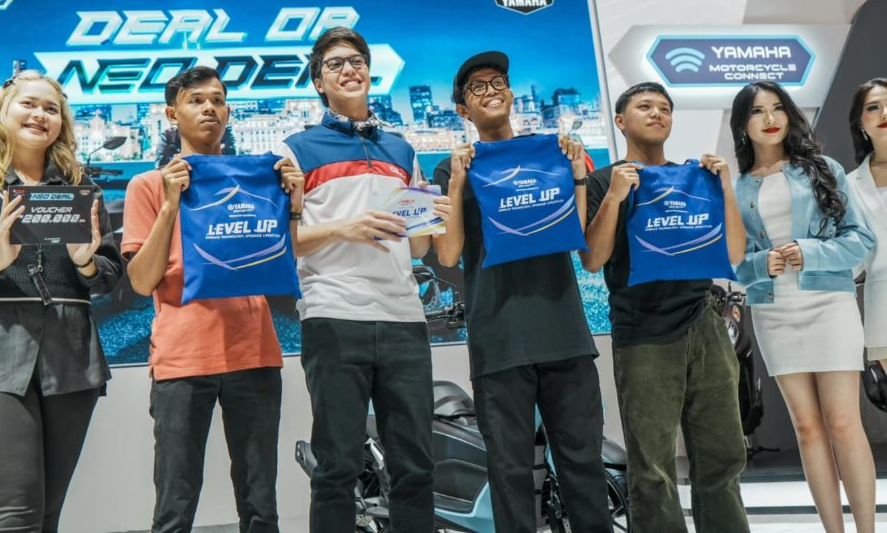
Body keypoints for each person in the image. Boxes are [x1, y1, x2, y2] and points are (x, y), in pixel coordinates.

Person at [0, 70, 123, 533]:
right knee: (14, 520)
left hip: (70, 362)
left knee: (44, 518)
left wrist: (86, 262)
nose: (40, 115)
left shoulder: (81, 189)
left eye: (51, 109)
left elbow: (109, 276)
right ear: (2, 113)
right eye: (29, 104)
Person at [275, 27, 450, 532]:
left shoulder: (401, 149)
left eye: (356, 61)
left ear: (370, 72)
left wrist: (432, 216)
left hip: (404, 317)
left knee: (415, 465)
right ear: (318, 82)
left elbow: (417, 248)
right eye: (335, 64)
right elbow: (283, 242)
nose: (349, 70)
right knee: (337, 466)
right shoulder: (294, 149)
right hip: (333, 314)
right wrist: (344, 228)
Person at [432, 51, 613, 533]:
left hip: (564, 333)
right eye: (476, 88)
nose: (490, 91)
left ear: (511, 94)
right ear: (463, 110)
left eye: (498, 82)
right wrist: (458, 182)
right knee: (509, 473)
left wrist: (577, 172)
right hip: (499, 341)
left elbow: (576, 235)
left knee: (582, 464)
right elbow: (447, 255)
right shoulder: (451, 170)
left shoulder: (552, 154)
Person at [122, 66, 302, 533]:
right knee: (175, 505)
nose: (209, 109)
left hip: (254, 352)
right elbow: (141, 281)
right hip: (182, 358)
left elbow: (285, 258)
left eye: (218, 100)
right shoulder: (147, 185)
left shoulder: (258, 180)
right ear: (171, 114)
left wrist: (294, 205)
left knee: (261, 504)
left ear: (228, 111)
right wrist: (170, 204)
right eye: (196, 100)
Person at [581, 82, 749, 533]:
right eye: (645, 106)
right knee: (652, 466)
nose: (657, 113)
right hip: (643, 332)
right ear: (620, 121)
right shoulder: (603, 181)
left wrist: (725, 187)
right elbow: (592, 259)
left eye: (665, 108)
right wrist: (615, 196)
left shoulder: (695, 178)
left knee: (723, 455)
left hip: (705, 323)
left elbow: (734, 253)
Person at [732, 80, 875, 533]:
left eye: (778, 108)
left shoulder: (823, 169)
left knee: (843, 423)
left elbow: (861, 240)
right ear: (743, 124)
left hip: (830, 305)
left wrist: (809, 252)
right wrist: (762, 263)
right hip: (774, 311)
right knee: (807, 428)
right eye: (757, 111)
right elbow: (733, 263)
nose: (770, 119)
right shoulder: (735, 188)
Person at [847, 78, 887, 373]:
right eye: (873, 107)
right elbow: (853, 259)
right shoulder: (849, 185)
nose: (884, 113)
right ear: (860, 122)